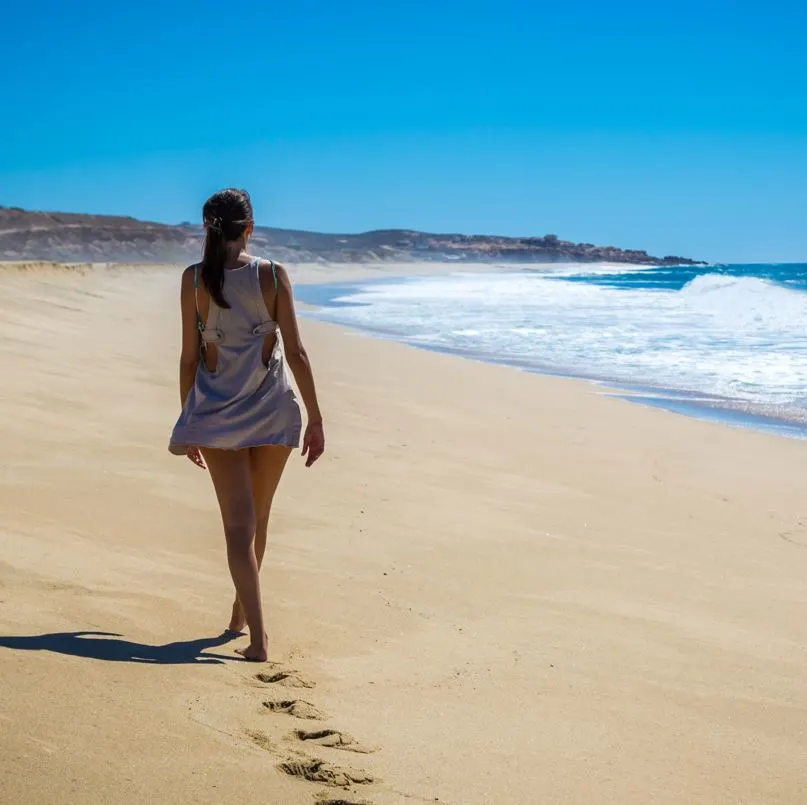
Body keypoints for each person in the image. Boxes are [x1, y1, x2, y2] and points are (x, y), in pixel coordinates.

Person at [169, 188, 325, 662]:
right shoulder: (273, 276)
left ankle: (255, 635)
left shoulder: (194, 280)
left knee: (238, 526)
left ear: (207, 228)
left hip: (218, 416)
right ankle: (244, 619)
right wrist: (316, 418)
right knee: (257, 519)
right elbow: (296, 353)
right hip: (273, 409)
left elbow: (189, 359)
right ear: (249, 228)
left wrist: (190, 420)